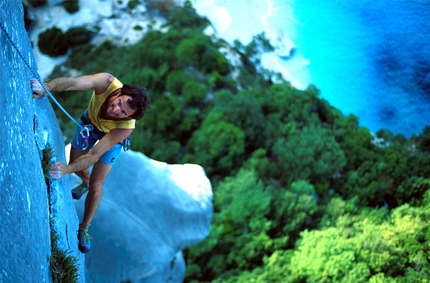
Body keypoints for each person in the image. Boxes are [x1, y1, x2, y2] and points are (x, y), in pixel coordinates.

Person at [31, 73, 150, 253]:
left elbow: (95, 155)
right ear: (118, 93)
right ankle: (84, 182)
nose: (116, 110)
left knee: (96, 184)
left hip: (111, 138)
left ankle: (84, 228)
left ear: (128, 117)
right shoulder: (106, 82)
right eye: (119, 103)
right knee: (75, 162)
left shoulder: (124, 128)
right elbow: (72, 83)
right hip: (90, 123)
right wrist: (45, 87)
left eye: (124, 113)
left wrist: (67, 170)